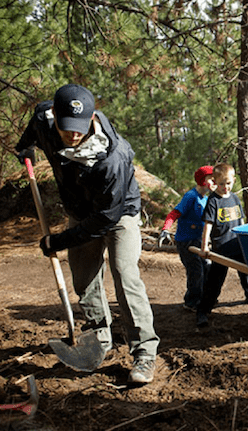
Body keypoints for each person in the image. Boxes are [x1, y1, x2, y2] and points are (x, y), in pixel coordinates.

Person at [15, 84, 160, 384]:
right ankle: (98, 337)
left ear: (92, 117)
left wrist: (59, 241)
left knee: (124, 274)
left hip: (118, 214)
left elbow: (105, 218)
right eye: (67, 127)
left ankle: (144, 351)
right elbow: (34, 129)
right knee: (83, 278)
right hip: (80, 210)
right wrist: (25, 147)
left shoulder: (112, 157)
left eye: (80, 128)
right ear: (55, 114)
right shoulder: (45, 118)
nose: (73, 134)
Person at [196, 163, 248, 328]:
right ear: (215, 182)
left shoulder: (234, 198)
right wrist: (204, 246)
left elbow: (240, 221)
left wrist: (244, 238)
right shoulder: (214, 200)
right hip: (221, 249)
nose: (225, 187)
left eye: (228, 183)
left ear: (233, 181)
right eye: (221, 184)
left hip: (237, 243)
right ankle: (203, 310)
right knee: (215, 281)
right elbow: (208, 225)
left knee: (246, 271)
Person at [159, 166, 215, 312]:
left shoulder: (207, 198)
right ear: (203, 180)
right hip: (186, 242)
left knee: (207, 268)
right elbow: (174, 213)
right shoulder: (191, 196)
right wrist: (166, 229)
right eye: (212, 178)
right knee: (196, 271)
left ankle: (204, 298)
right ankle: (191, 302)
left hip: (199, 241)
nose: (215, 181)